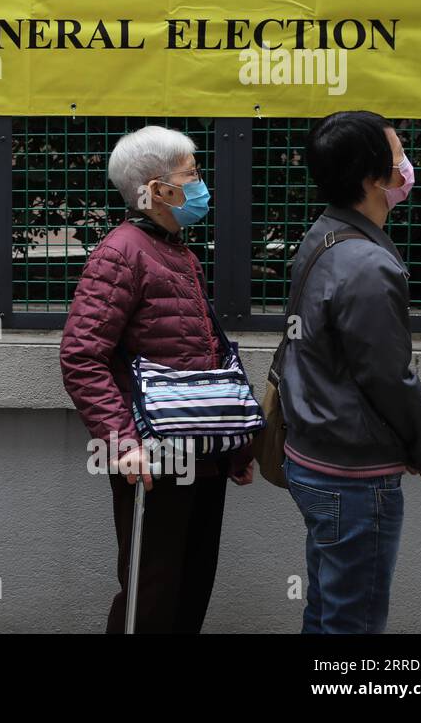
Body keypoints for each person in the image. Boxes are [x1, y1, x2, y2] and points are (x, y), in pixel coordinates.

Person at [60, 125, 251, 634]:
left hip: (200, 455)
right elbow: (81, 355)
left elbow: (200, 353)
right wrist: (123, 443)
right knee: (151, 595)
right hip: (153, 457)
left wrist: (231, 449)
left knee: (191, 588)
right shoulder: (121, 251)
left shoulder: (177, 251)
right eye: (190, 174)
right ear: (156, 188)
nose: (200, 183)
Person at [281, 110, 421, 634]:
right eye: (398, 158)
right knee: (354, 624)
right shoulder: (367, 264)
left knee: (328, 610)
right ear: (375, 179)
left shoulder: (324, 235)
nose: (407, 168)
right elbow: (388, 376)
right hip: (352, 479)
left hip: (314, 459)